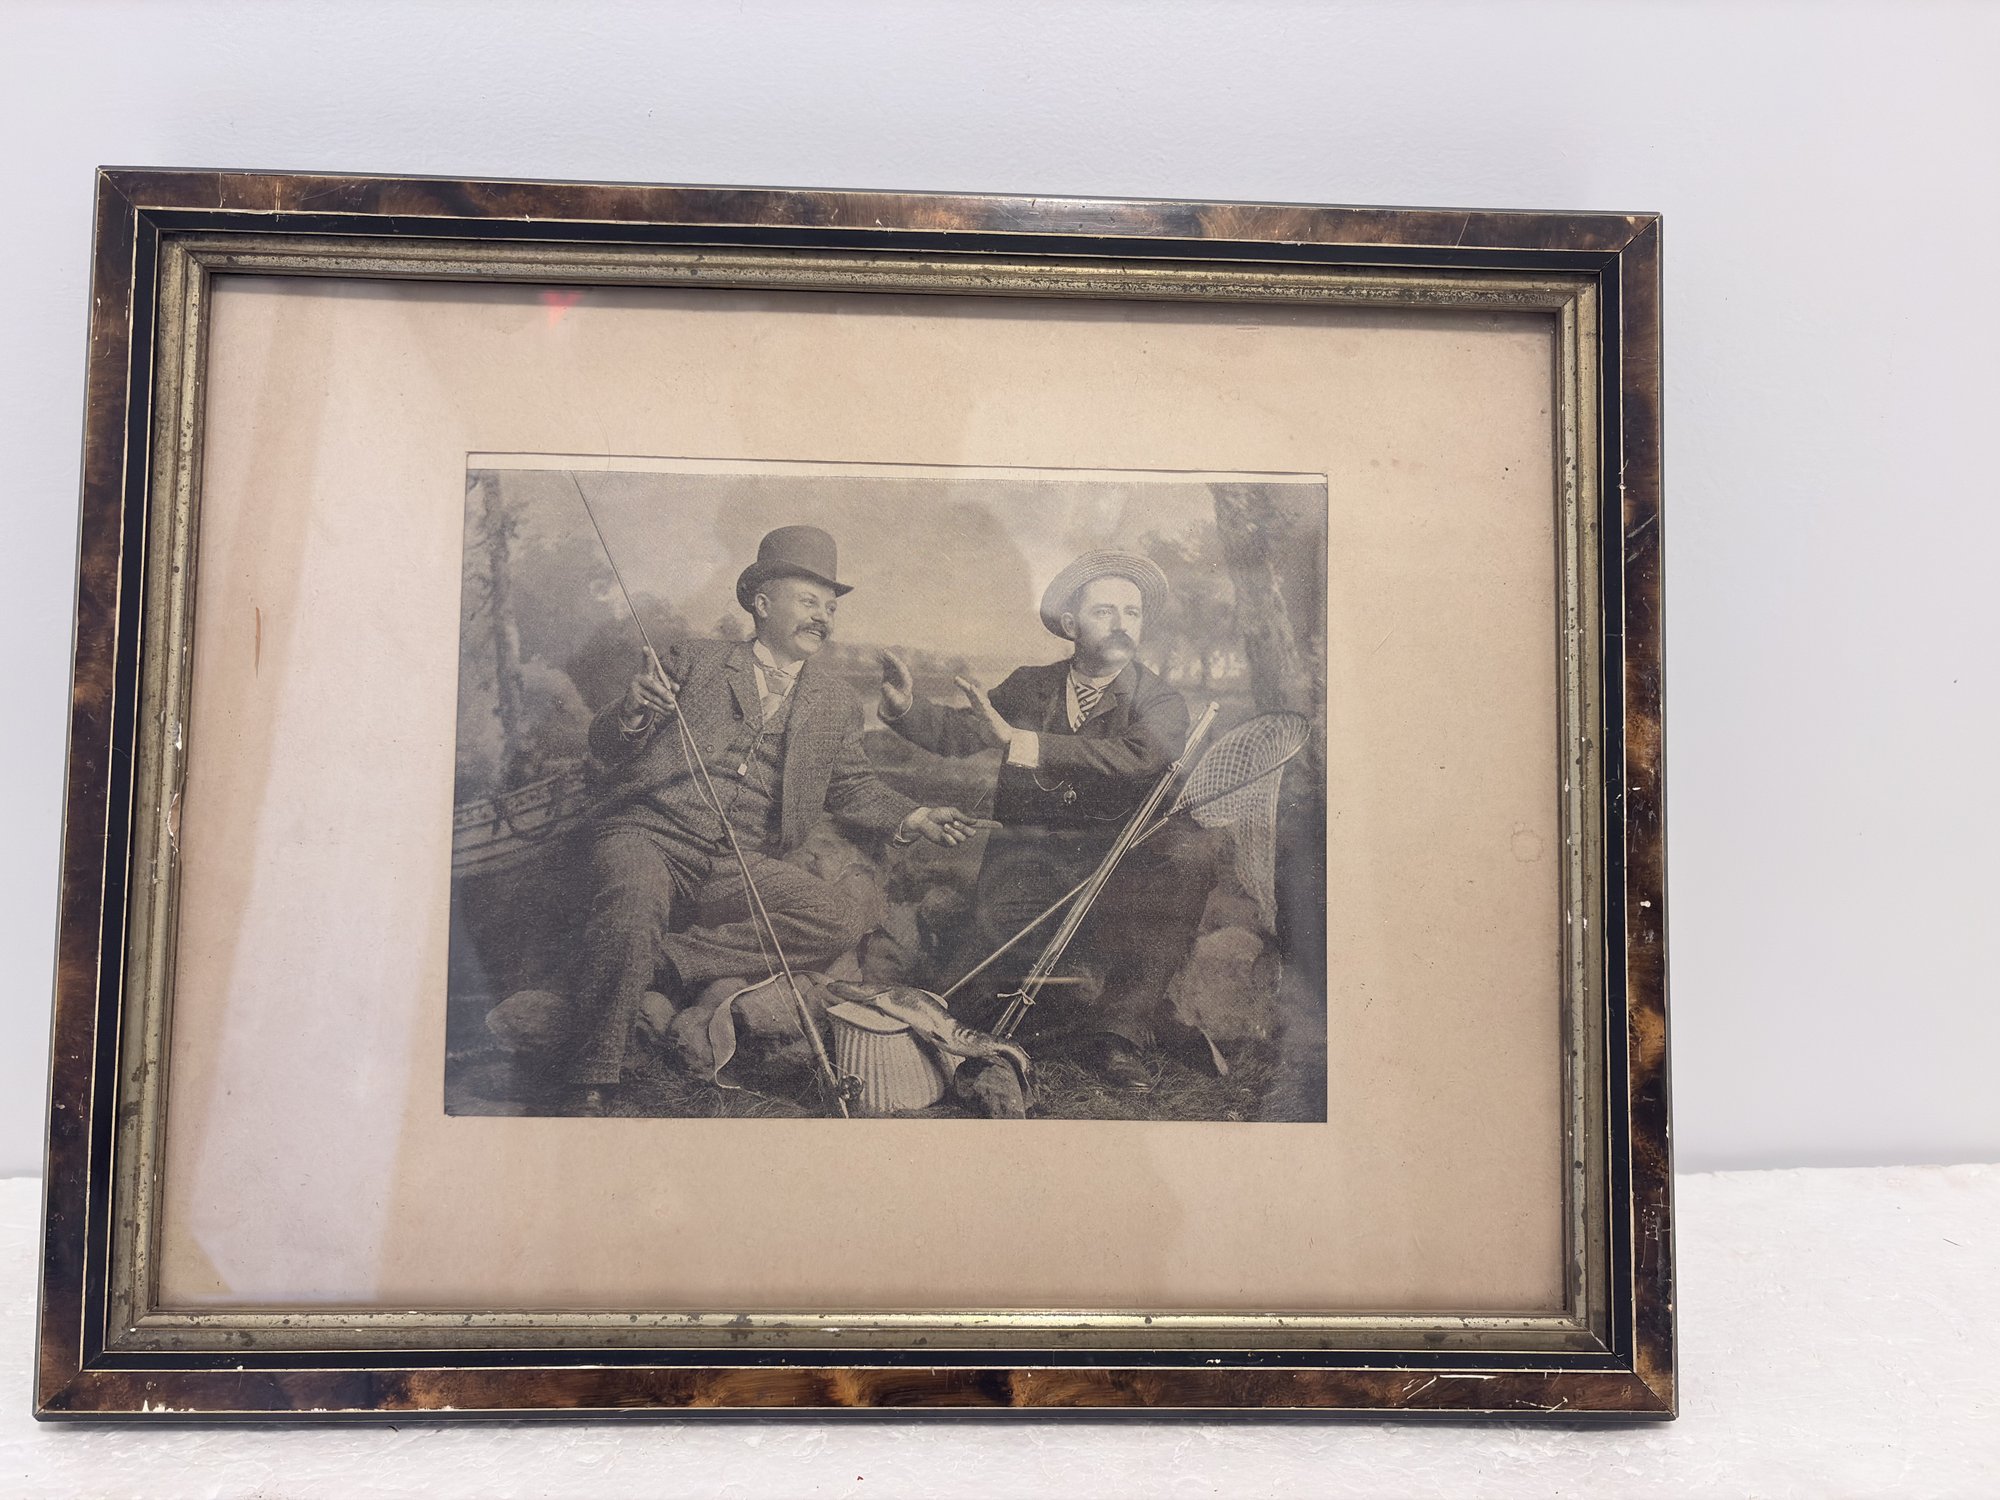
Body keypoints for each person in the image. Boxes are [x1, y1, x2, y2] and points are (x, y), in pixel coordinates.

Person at [563, 525, 982, 1112]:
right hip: (649, 833)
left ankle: (658, 963)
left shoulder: (835, 702)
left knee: (838, 918)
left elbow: (852, 786)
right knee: (633, 900)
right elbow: (607, 744)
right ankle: (592, 1078)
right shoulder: (694, 660)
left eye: (830, 608)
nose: (822, 618)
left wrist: (916, 813)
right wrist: (631, 711)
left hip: (738, 860)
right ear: (762, 604)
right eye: (809, 601)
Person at [878, 550, 1221, 1090]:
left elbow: (1136, 757)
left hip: (1120, 870)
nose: (1121, 624)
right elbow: (964, 732)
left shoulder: (1160, 701)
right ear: (1070, 624)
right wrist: (905, 709)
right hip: (1030, 861)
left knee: (1189, 853)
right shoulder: (1029, 686)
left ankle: (1118, 1033)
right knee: (966, 1000)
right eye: (1105, 611)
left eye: (1132, 613)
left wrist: (1022, 743)